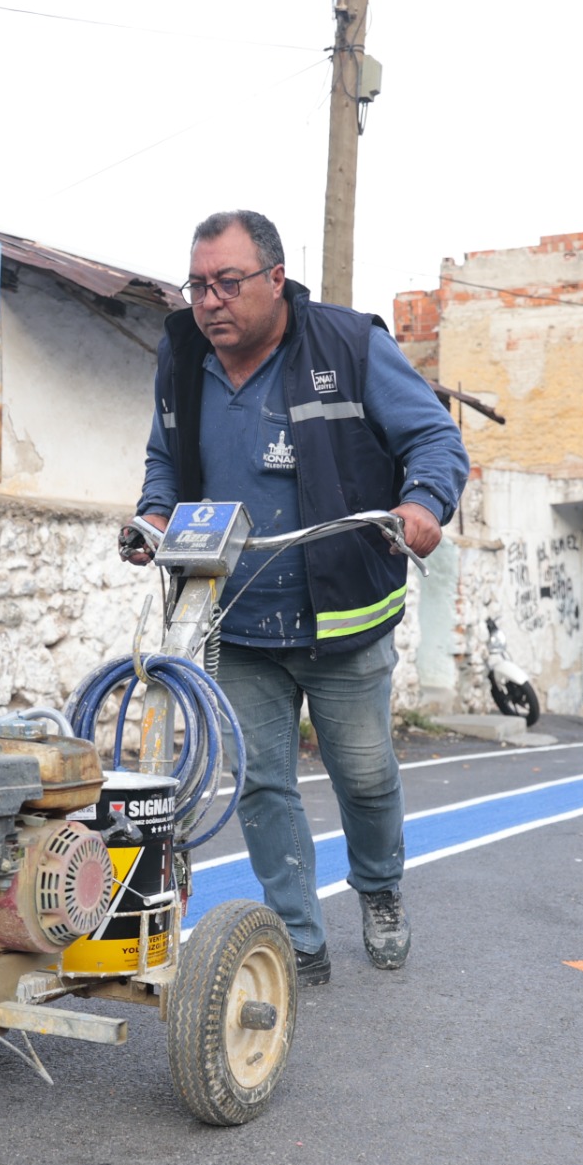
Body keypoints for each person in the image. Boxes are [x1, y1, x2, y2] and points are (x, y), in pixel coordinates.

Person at [127, 210, 469, 987]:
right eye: (199, 285)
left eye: (229, 283)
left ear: (276, 280)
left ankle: (379, 890)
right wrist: (153, 516)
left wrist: (422, 504)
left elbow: (435, 442)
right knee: (262, 783)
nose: (210, 301)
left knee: (366, 775)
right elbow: (164, 457)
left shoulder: (348, 346)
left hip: (344, 616)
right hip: (237, 613)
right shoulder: (181, 353)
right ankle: (296, 936)